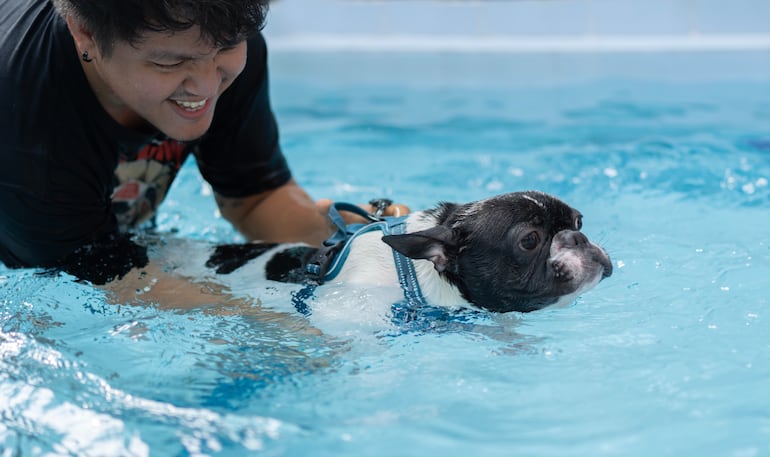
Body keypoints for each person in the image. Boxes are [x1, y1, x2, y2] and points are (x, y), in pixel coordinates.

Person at [0, 0, 406, 305]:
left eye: (225, 50)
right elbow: (95, 278)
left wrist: (354, 241)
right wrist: (269, 329)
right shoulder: (22, 110)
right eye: (169, 62)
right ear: (83, 33)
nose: (207, 87)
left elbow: (254, 196)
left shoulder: (219, 28)